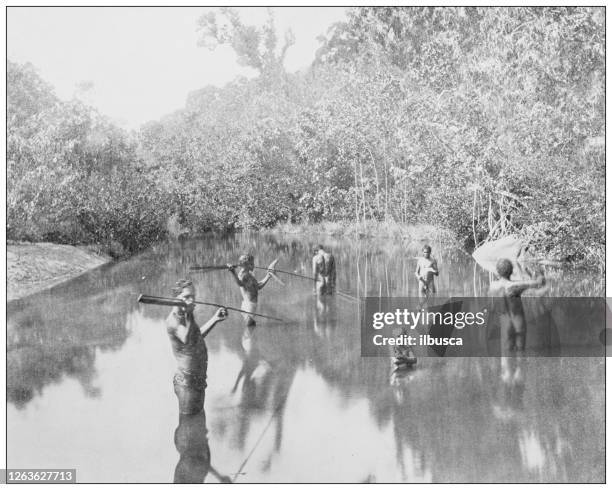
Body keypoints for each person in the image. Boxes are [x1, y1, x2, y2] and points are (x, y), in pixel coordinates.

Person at [166, 279, 228, 414]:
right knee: (188, 424)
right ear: (175, 298)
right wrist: (190, 313)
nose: (191, 300)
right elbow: (186, 339)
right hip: (187, 384)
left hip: (198, 380)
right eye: (186, 297)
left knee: (199, 419)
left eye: (193, 296)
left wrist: (214, 320)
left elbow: (196, 337)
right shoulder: (173, 320)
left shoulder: (185, 317)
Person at [488, 258, 545, 352]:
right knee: (520, 353)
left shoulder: (493, 286)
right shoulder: (516, 286)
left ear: (497, 272)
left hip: (504, 324)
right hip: (518, 323)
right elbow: (539, 283)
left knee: (506, 356)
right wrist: (540, 271)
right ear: (511, 271)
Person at [227, 254, 273, 327]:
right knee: (249, 329)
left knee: (251, 326)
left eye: (253, 263)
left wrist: (268, 276)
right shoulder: (243, 274)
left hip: (251, 305)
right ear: (244, 264)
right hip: (249, 305)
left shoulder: (249, 274)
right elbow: (239, 283)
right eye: (251, 264)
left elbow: (258, 287)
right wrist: (233, 272)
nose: (254, 265)